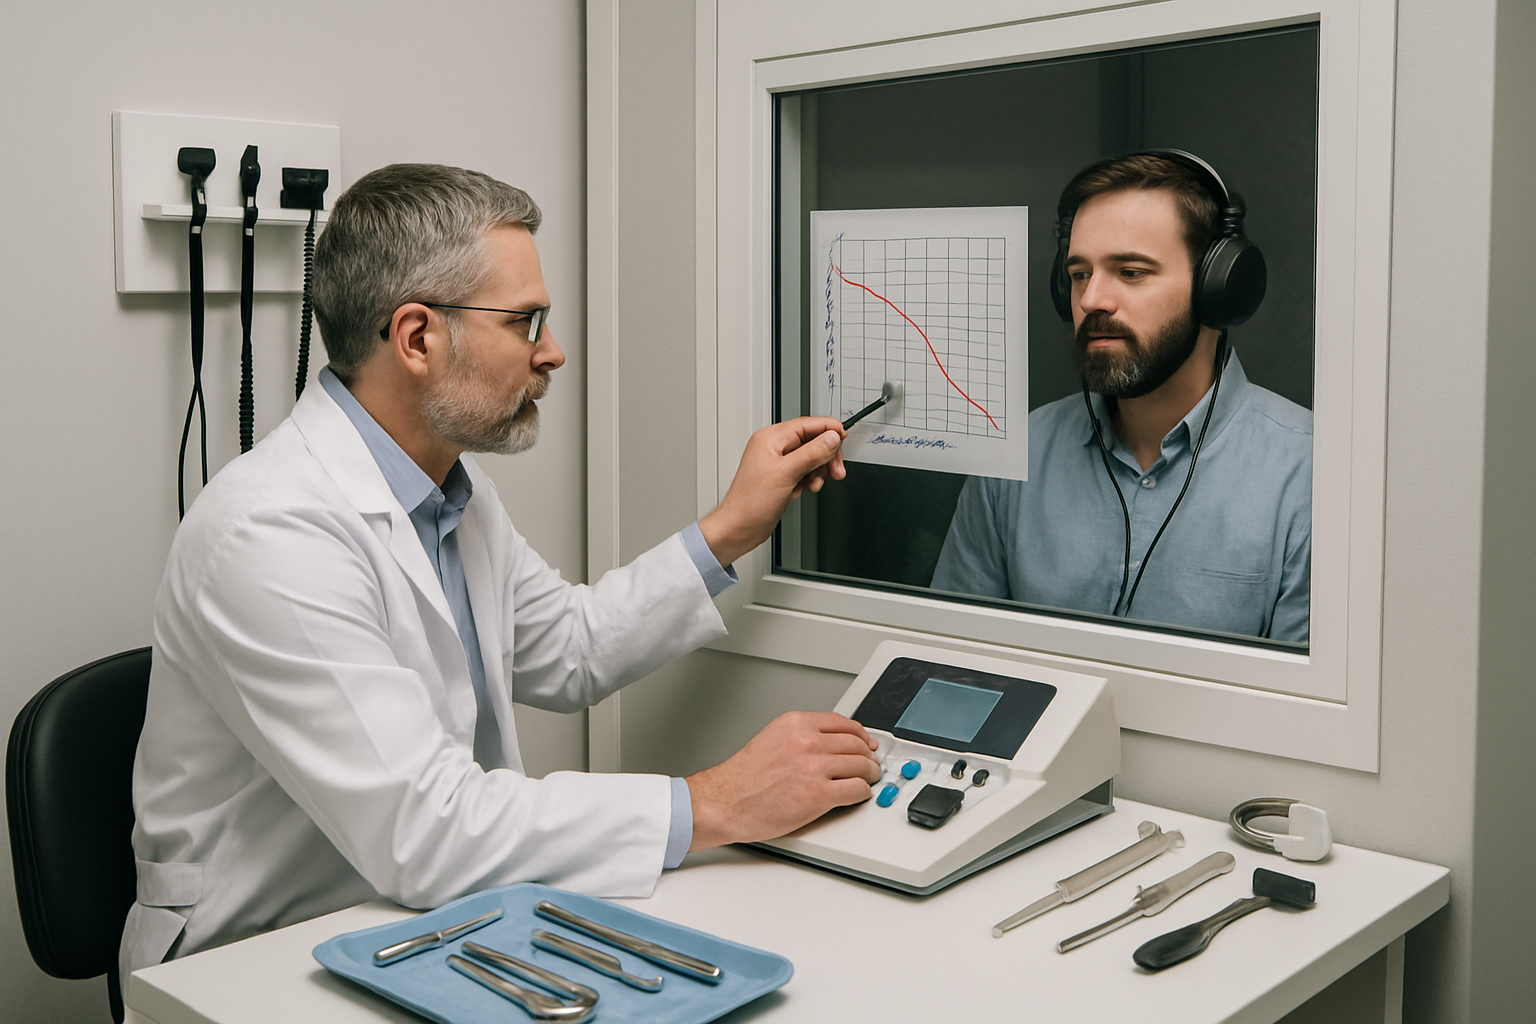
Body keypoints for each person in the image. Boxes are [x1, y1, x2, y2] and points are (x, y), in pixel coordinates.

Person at [122, 164, 883, 978]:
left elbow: (570, 648)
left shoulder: (449, 486)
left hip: (424, 923)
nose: (552, 354)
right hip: (253, 965)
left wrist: (733, 526)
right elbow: (427, 830)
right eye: (527, 322)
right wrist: (714, 803)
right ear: (417, 338)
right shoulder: (267, 533)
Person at [930, 152, 1311, 642]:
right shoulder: (1015, 457)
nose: (1091, 300)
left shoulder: (1310, 473)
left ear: (1219, 289)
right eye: (1080, 274)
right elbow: (956, 661)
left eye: (1130, 272)